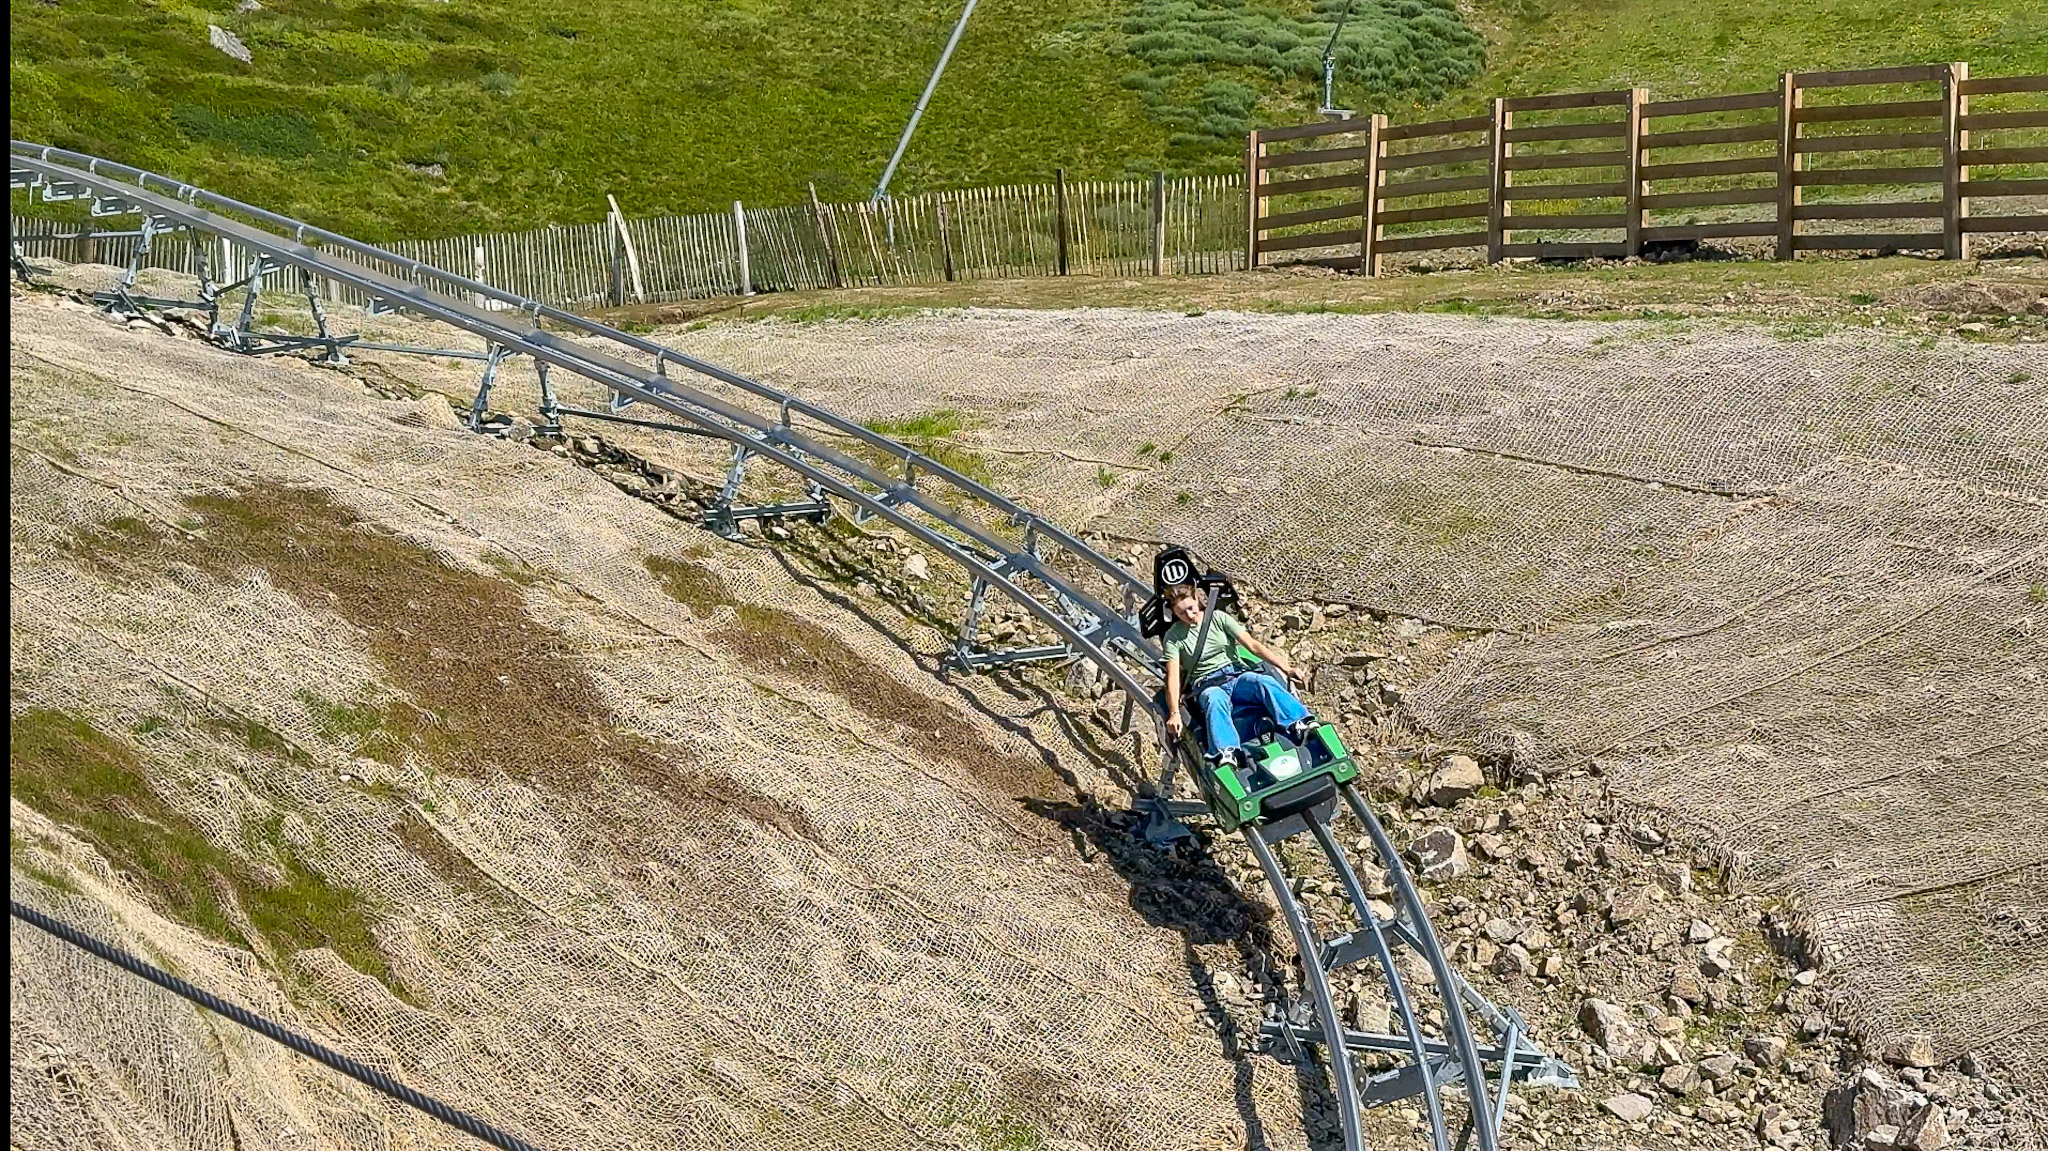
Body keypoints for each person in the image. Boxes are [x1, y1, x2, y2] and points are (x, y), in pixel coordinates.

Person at [1160, 583, 1318, 772]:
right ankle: (1227, 751)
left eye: (1191, 609)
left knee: (1263, 682)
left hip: (1235, 674)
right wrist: (1174, 713)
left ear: (1196, 600)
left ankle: (1297, 722)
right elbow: (1173, 676)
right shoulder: (1173, 637)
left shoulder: (1218, 619)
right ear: (1174, 615)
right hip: (1207, 682)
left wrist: (1286, 668)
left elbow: (1252, 645)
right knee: (1214, 699)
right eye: (1182, 613)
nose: (1190, 616)